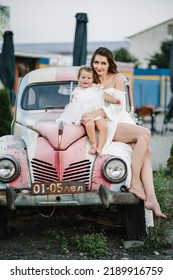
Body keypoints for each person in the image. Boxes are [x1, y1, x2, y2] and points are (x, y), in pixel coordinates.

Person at [81, 47, 167, 219]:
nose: (99, 66)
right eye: (96, 62)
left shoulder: (118, 78)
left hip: (119, 118)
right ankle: (135, 182)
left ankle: (151, 200)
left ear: (109, 63)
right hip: (104, 125)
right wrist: (93, 115)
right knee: (144, 134)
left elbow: (118, 106)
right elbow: (84, 104)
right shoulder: (90, 80)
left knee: (146, 152)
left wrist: (98, 112)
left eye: (103, 63)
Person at [56, 66, 120, 157]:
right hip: (85, 114)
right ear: (78, 78)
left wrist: (113, 100)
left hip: (96, 112)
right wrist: (78, 115)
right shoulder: (77, 91)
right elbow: (75, 105)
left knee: (103, 127)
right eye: (83, 77)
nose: (86, 80)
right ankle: (94, 144)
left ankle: (100, 147)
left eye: (89, 78)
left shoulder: (95, 87)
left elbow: (104, 95)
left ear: (92, 79)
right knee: (90, 125)